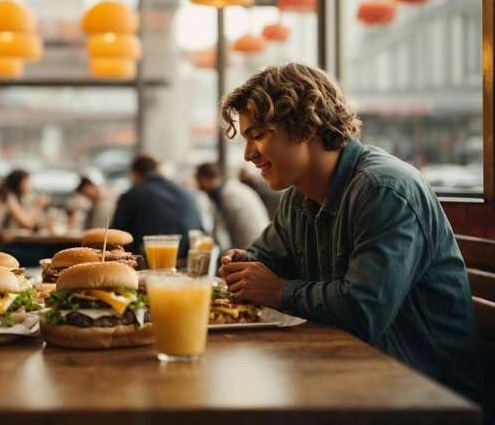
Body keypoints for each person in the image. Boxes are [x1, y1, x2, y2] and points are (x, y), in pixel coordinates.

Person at [217, 63, 480, 400]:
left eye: (258, 135)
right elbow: (266, 259)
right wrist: (241, 264)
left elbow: (364, 310)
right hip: (355, 371)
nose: (248, 154)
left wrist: (279, 291)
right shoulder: (301, 195)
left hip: (426, 389)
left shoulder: (383, 189)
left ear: (305, 126)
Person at [111, 154, 203, 258]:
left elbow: (115, 238)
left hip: (150, 263)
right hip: (188, 259)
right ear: (157, 169)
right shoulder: (185, 192)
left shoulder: (131, 195)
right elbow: (200, 231)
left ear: (134, 174)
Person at [194, 162, 268, 249]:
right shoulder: (233, 188)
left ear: (203, 179)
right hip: (259, 245)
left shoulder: (228, 196)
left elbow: (221, 237)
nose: (199, 186)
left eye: (199, 181)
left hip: (252, 251)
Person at [0, 169, 47, 242]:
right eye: (27, 182)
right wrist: (37, 206)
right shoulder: (7, 196)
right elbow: (26, 222)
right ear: (19, 183)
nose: (30, 186)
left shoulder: (5, 194)